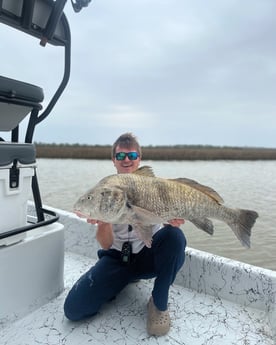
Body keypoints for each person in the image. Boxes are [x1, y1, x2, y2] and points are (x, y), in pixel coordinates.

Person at [64, 132, 187, 336]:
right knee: (74, 310)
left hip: (148, 255)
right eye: (120, 156)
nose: (126, 160)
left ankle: (158, 303)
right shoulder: (105, 191)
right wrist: (103, 223)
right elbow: (105, 245)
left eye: (132, 155)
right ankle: (121, 280)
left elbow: (167, 221)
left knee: (175, 236)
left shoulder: (154, 187)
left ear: (139, 158)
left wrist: (173, 219)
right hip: (118, 259)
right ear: (114, 160)